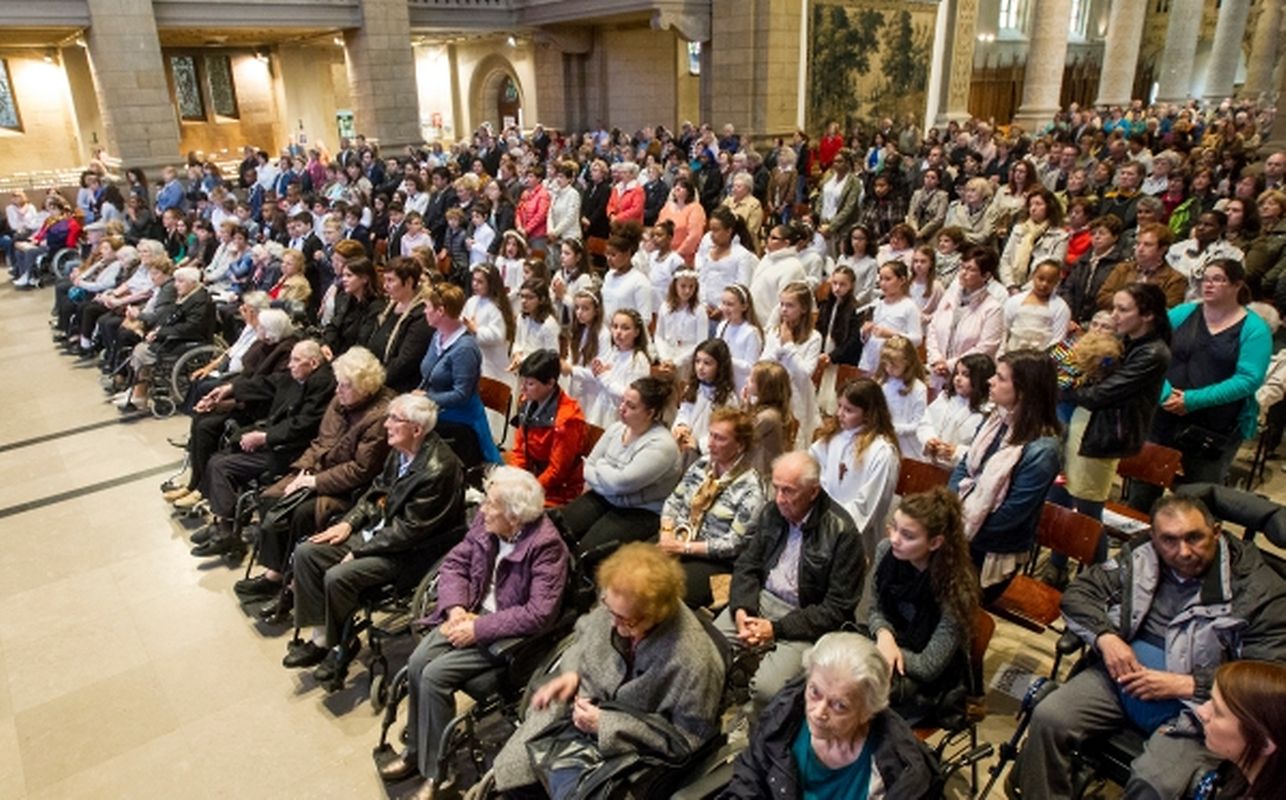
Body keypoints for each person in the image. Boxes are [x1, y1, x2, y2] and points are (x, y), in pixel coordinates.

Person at [1011, 495, 1286, 800]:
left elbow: (1270, 677)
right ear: (1154, 537)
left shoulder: (1260, 592)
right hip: (1121, 680)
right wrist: (1106, 637)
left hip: (1198, 709)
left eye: (1195, 538)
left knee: (1155, 783)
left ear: (1216, 532)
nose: (1183, 551)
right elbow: (1080, 593)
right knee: (1049, 717)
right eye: (1169, 540)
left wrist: (1187, 684)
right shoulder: (1141, 554)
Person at [376, 468, 570, 800]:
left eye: (491, 504)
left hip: (506, 633)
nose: (482, 509)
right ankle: (416, 752)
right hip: (469, 610)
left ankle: (441, 774)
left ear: (514, 516)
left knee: (435, 675)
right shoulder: (488, 523)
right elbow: (455, 563)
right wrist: (455, 608)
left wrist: (478, 629)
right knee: (418, 660)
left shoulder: (546, 546)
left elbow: (539, 613)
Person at [487, 542, 728, 797]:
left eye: (625, 620)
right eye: (608, 608)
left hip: (630, 745)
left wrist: (606, 724)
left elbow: (687, 739)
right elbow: (583, 637)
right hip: (580, 710)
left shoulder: (694, 661)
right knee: (515, 775)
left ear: (656, 614)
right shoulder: (617, 600)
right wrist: (572, 672)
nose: (613, 623)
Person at [283, 393, 468, 684]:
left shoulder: (438, 469)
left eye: (395, 419)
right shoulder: (401, 450)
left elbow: (409, 531)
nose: (386, 425)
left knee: (337, 576)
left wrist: (359, 550)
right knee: (307, 552)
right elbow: (376, 491)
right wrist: (349, 522)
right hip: (378, 534)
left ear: (416, 429)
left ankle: (341, 646)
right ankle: (322, 638)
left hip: (410, 552)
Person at [231, 347, 395, 601]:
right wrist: (302, 472)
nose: (337, 391)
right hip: (318, 470)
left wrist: (314, 481)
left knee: (301, 513)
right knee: (270, 498)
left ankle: (294, 584)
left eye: (344, 386)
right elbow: (321, 442)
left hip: (350, 489)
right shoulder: (340, 400)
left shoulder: (380, 416)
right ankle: (276, 572)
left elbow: (360, 470)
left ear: (365, 388)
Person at [716, 451, 866, 712]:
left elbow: (837, 609)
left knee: (768, 690)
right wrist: (742, 610)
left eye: (789, 491)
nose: (779, 498)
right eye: (776, 488)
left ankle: (758, 729)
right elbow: (747, 565)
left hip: (805, 617)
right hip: (761, 601)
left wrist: (776, 629)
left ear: (813, 491)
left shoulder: (842, 532)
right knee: (708, 647)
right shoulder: (772, 512)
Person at [721, 632, 942, 799]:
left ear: (867, 712)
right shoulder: (783, 715)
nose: (818, 713)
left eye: (839, 706)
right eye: (814, 692)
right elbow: (750, 773)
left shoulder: (901, 769)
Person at [1128, 259, 1271, 507]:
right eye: (1205, 279)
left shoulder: (1254, 328)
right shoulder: (1183, 313)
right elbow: (1149, 349)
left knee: (1197, 499)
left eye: (1218, 279)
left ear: (1237, 285)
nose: (1209, 284)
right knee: (1143, 490)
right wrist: (1165, 393)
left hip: (1213, 426)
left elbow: (1249, 379)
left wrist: (1193, 400)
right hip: (1163, 416)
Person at [1052, 283, 1171, 571]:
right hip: (1081, 423)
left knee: (1088, 513)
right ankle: (1056, 566)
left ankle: (1101, 575)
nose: (1114, 315)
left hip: (1103, 435)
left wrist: (1059, 390)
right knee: (1059, 500)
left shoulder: (1152, 353)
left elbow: (1100, 395)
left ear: (1148, 315)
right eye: (1114, 307)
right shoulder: (1126, 340)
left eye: (1123, 309)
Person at [190, 340, 336, 558]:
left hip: (291, 450)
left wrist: (265, 437)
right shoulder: (296, 377)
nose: (290, 365)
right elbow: (266, 383)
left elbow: (304, 425)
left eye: (296, 360)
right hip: (276, 440)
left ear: (313, 363)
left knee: (221, 465)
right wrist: (228, 389)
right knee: (219, 455)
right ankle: (225, 523)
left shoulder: (322, 385)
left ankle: (227, 532)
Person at [948, 350, 1061, 603]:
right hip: (963, 528)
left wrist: (956, 531)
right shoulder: (996, 420)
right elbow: (965, 466)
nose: (990, 381)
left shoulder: (1042, 451)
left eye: (1000, 378)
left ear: (1023, 390)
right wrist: (951, 509)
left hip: (991, 548)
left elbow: (1010, 516)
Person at [868, 488, 980, 727]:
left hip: (931, 684)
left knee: (854, 704)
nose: (895, 538)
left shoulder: (956, 587)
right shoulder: (886, 551)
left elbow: (929, 666)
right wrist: (884, 635)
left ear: (935, 543)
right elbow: (876, 609)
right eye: (893, 527)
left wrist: (885, 651)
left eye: (907, 535)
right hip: (890, 651)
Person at [556, 376, 684, 559]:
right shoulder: (617, 428)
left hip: (640, 511)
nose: (622, 408)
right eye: (623, 401)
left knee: (587, 554)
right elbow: (588, 467)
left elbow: (620, 484)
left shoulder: (662, 445)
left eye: (631, 406)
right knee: (556, 528)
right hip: (606, 497)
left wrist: (601, 466)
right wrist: (610, 480)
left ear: (650, 413)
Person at [658, 407, 765, 608]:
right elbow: (674, 500)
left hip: (716, 562)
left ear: (740, 445)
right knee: (633, 568)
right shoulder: (702, 464)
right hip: (678, 538)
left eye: (720, 438)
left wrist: (684, 548)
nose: (710, 443)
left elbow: (734, 543)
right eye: (711, 435)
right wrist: (666, 532)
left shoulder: (751, 489)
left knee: (663, 592)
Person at [810, 378, 901, 559]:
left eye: (848, 410)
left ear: (869, 414)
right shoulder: (834, 437)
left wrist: (832, 526)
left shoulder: (881, 452)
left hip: (854, 537)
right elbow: (811, 468)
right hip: (821, 524)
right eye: (839, 406)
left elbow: (867, 506)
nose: (839, 414)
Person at [418, 283, 502, 470]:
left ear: (441, 311)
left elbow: (461, 395)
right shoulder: (438, 336)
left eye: (427, 307)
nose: (424, 311)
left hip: (460, 417)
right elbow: (428, 374)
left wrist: (427, 398)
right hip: (439, 407)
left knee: (411, 428)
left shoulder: (465, 349)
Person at [506, 350, 587, 507]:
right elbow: (520, 449)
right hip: (532, 475)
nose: (522, 389)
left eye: (530, 384)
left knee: (510, 510)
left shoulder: (567, 419)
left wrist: (528, 490)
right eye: (522, 381)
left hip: (557, 489)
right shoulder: (528, 400)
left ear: (550, 383)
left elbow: (557, 471)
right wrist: (515, 478)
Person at [1194, 660, 1286, 799]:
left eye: (1217, 711)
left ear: (1262, 742)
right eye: (1210, 699)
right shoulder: (1236, 776)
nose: (1201, 711)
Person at [761, 282, 823, 447]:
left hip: (797, 396)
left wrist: (788, 345)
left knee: (794, 440)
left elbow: (805, 373)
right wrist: (779, 346)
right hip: (773, 392)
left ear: (804, 308)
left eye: (790, 305)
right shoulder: (775, 332)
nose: (783, 310)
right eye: (782, 304)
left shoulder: (814, 337)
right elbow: (763, 363)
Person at [915, 353, 993, 467]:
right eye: (957, 373)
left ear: (980, 379)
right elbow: (926, 422)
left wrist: (957, 452)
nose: (957, 379)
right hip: (931, 463)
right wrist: (929, 439)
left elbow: (983, 451)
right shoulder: (946, 397)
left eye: (966, 375)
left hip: (957, 468)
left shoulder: (987, 412)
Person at [998, 188, 1069, 291]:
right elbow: (1005, 260)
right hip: (1011, 288)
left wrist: (1023, 291)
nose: (1033, 208)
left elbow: (1053, 269)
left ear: (1049, 207)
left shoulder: (1060, 236)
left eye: (1038, 204)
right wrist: (1011, 285)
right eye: (1031, 204)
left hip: (1039, 290)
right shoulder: (1019, 229)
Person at [742, 360, 795, 482]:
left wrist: (744, 409)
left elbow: (743, 436)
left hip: (762, 475)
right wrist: (747, 405)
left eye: (752, 380)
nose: (746, 380)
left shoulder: (768, 417)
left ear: (765, 388)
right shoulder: (765, 411)